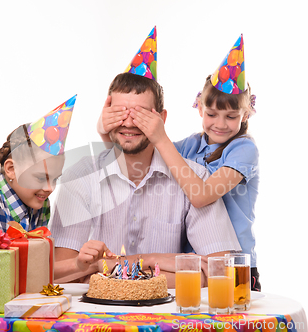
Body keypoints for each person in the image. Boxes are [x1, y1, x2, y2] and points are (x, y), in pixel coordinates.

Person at [99, 35, 261, 291]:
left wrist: (160, 135)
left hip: (233, 262)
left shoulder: (243, 149)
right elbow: (141, 158)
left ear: (246, 114)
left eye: (231, 116)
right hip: (191, 258)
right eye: (211, 114)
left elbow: (202, 195)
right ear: (198, 108)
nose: (220, 124)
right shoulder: (190, 146)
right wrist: (105, 132)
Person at [50, 73, 242, 288]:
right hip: (96, 316)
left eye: (141, 114)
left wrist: (102, 269)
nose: (130, 122)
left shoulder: (194, 179)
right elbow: (62, 276)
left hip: (167, 316)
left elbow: (220, 272)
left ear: (162, 119)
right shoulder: (80, 176)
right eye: (120, 113)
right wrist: (152, 262)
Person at [0, 96, 113, 280]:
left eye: (55, 179)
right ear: (11, 169)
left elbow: (37, 269)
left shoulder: (40, 205)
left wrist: (81, 265)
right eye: (41, 178)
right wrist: (76, 265)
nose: (50, 188)